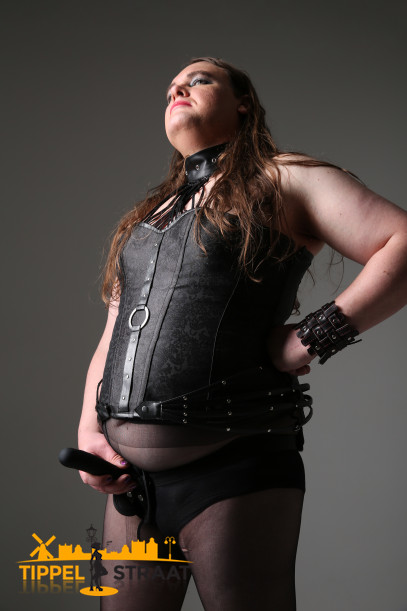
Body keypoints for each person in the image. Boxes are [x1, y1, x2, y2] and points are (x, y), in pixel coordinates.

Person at [77, 57, 407, 610]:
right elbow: (116, 327)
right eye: (170, 88)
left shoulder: (284, 178)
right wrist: (91, 428)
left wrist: (313, 336)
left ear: (244, 104)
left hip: (236, 466)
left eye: (198, 80)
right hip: (133, 485)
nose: (178, 89)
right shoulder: (151, 217)